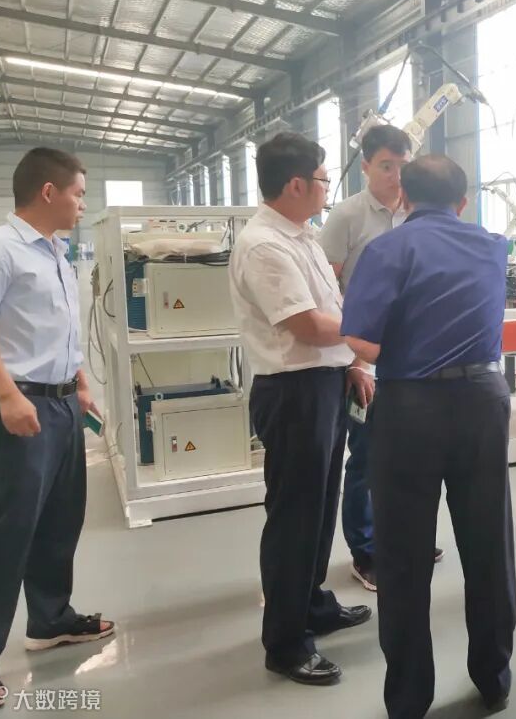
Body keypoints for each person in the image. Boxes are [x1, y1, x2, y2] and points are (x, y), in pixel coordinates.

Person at [341, 154, 515, 719]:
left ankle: (410, 698)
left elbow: (361, 341)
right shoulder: (493, 246)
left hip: (410, 407)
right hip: (483, 400)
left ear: (403, 199)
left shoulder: (387, 249)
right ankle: (493, 678)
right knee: (488, 543)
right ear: (463, 202)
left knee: (403, 556)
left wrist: (407, 341)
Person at [0, 148, 113, 714]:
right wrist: (7, 395)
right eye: (78, 193)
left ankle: (50, 619)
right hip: (18, 406)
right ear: (48, 192)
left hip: (62, 404)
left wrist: (80, 383)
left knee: (60, 518)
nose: (82, 204)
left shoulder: (55, 251)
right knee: (9, 531)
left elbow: (57, 328)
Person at [229, 132, 373, 686]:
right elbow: (307, 326)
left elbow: (329, 311)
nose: (326, 189)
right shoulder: (265, 246)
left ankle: (312, 604)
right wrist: (372, 333)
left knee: (319, 507)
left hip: (324, 383)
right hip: (294, 393)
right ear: (295, 184)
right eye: (322, 179)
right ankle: (286, 642)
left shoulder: (303, 236)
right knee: (294, 517)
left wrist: (352, 363)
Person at [319, 124, 443, 591]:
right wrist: (356, 361)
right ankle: (366, 551)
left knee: (411, 457)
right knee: (368, 459)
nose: (396, 175)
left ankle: (404, 538)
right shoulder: (347, 217)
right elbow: (328, 289)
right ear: (366, 166)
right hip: (364, 358)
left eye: (402, 166)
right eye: (386, 166)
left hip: (413, 359)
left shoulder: (418, 214)